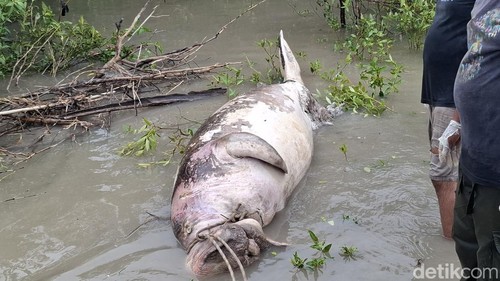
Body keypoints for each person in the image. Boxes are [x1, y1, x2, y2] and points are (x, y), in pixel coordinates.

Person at [452, 1, 500, 280]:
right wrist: (457, 120)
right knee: (467, 247)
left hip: (496, 171)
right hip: (472, 160)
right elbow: (475, 55)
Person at [421, 0, 475, 239]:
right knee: (448, 172)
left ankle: (452, 247)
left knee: (444, 175)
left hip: (454, 95)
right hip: (438, 92)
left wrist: (459, 115)